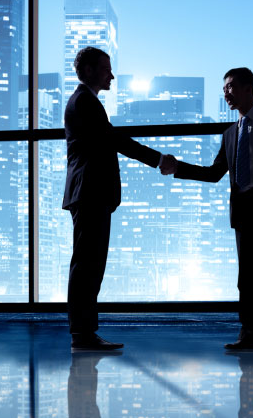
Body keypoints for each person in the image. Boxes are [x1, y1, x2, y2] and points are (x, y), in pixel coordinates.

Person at [161, 67, 253, 351]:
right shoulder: (230, 133)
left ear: (248, 90)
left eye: (230, 86)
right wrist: (178, 168)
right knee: (247, 278)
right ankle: (249, 335)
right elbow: (214, 172)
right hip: (245, 213)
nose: (226, 92)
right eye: (224, 88)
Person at [63, 46, 178, 351]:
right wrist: (157, 159)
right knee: (87, 266)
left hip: (90, 193)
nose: (111, 75)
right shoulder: (85, 102)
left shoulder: (85, 102)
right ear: (88, 70)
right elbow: (114, 139)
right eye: (105, 69)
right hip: (89, 193)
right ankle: (82, 333)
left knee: (89, 265)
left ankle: (84, 332)